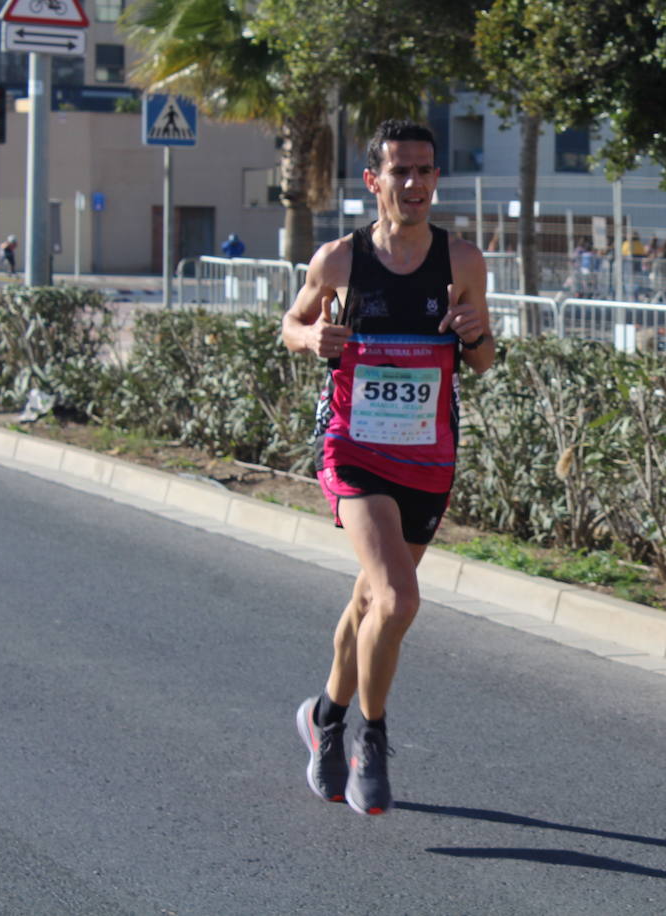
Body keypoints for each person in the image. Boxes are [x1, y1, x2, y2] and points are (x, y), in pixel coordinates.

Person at [281, 120, 494, 815]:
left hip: (428, 453)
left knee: (371, 601)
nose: (415, 183)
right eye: (400, 171)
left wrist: (477, 334)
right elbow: (291, 324)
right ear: (373, 182)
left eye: (426, 171)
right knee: (399, 600)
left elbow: (485, 358)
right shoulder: (340, 260)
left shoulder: (462, 261)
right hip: (354, 447)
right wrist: (313, 336)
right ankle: (367, 735)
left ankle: (322, 716)